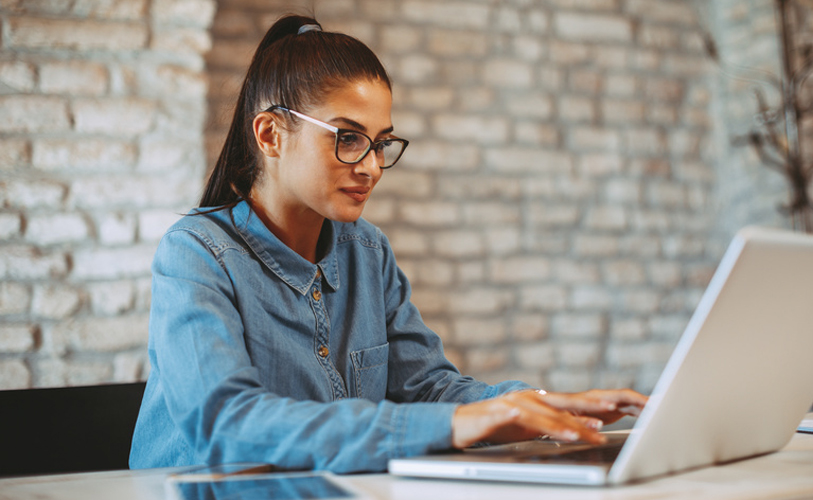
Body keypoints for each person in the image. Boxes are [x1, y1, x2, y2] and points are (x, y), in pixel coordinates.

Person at [129, 14, 647, 473]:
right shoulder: (195, 253)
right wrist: (454, 425)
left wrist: (534, 404)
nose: (372, 166)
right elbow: (226, 423)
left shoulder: (366, 252)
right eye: (348, 137)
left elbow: (428, 388)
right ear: (269, 135)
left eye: (381, 143)